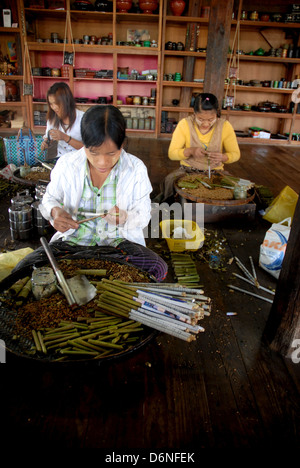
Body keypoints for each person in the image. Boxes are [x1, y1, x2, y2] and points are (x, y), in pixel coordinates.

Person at [13, 105, 167, 282]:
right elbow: (49, 199)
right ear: (84, 144)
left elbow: (144, 215)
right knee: (22, 271)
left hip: (118, 245)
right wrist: (55, 212)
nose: (102, 162)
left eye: (111, 153)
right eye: (93, 153)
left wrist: (124, 217)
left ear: (122, 143)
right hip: (73, 244)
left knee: (158, 268)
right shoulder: (67, 164)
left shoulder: (135, 169)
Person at [158, 92, 240, 201]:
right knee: (169, 183)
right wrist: (190, 151)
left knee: (238, 190)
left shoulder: (225, 126)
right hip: (187, 171)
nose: (206, 124)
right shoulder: (185, 124)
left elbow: (235, 154)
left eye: (211, 119)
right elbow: (172, 154)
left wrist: (224, 157)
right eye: (201, 119)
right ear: (194, 113)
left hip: (216, 172)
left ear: (217, 113)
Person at [41, 82, 84, 159]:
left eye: (56, 103)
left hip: (80, 160)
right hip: (62, 160)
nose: (53, 107)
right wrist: (46, 143)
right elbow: (48, 138)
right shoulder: (52, 119)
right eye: (51, 104)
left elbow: (89, 149)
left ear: (66, 101)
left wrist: (65, 137)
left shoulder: (83, 118)